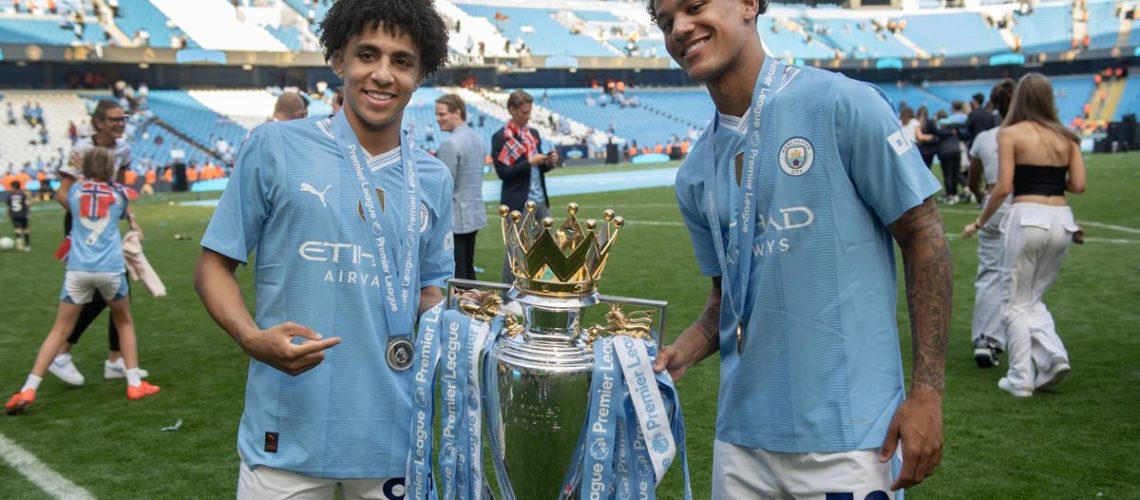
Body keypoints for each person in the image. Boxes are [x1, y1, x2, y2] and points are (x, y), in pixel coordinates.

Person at [647, 0, 952, 496]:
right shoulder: (695, 172)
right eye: (665, 22)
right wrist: (683, 351)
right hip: (740, 445)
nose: (680, 27)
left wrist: (927, 395)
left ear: (749, 4)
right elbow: (727, 302)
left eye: (694, 6)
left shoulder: (842, 104)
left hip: (852, 440)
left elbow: (925, 240)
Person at [193, 0, 452, 496]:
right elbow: (212, 267)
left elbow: (430, 289)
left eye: (402, 61)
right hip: (287, 430)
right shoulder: (275, 145)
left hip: (391, 436)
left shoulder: (433, 177)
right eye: (367, 55)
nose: (382, 75)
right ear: (338, 60)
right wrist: (251, 337)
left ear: (421, 74)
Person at [6, 148, 159, 415]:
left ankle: (29, 388)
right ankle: (134, 383)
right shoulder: (119, 196)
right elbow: (123, 207)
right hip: (111, 269)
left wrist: (72, 168)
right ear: (111, 169)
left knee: (60, 329)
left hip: (78, 269)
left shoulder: (75, 193)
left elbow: (61, 193)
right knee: (123, 321)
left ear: (84, 168)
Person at [961, 73, 1086, 398]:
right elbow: (1078, 185)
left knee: (1014, 301)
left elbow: (1003, 187)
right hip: (1062, 219)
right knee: (1032, 298)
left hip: (1026, 218)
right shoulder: (1067, 137)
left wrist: (979, 221)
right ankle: (1052, 356)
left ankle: (1021, 376)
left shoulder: (1011, 135)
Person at [51, 99, 147, 386]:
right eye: (115, 119)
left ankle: (116, 359)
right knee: (99, 290)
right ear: (99, 122)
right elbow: (62, 194)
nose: (121, 124)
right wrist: (87, 218)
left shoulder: (124, 148)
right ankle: (63, 353)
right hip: (82, 226)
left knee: (118, 288)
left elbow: (116, 187)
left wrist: (126, 216)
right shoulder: (80, 149)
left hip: (107, 223)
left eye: (123, 119)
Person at [964, 79, 1015, 368]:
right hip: (1025, 202)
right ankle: (1025, 338)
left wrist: (978, 194)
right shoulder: (1028, 134)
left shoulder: (984, 138)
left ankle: (986, 338)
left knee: (990, 274)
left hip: (993, 203)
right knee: (1023, 275)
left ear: (993, 104)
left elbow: (973, 179)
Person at [491, 89, 559, 283]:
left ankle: (539, 287)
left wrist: (548, 161)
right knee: (516, 250)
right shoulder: (501, 137)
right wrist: (529, 163)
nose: (528, 117)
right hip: (518, 202)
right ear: (512, 110)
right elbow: (503, 173)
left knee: (548, 246)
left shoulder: (533, 134)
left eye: (529, 112)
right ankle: (508, 296)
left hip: (540, 201)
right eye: (524, 112)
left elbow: (539, 169)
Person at [434, 93, 486, 281]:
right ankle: (474, 308)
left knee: (458, 271)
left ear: (457, 113)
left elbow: (443, 186)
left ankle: (464, 309)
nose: (438, 119)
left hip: (456, 216)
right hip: (473, 211)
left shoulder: (450, 143)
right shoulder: (477, 138)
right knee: (467, 267)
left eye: (442, 114)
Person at [6, 180, 30, 252]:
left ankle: (19, 242)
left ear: (13, 187)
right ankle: (27, 245)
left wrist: (8, 214)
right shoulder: (23, 194)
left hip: (14, 214)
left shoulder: (10, 196)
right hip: (22, 214)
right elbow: (27, 203)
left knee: (17, 228)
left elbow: (8, 207)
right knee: (25, 229)